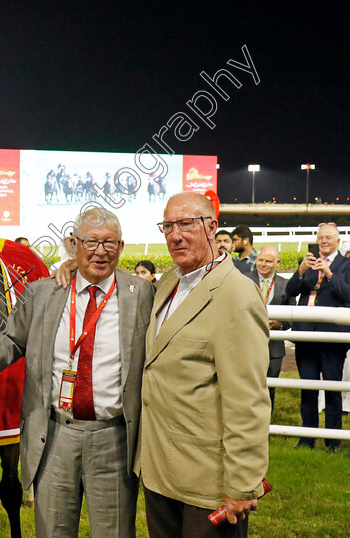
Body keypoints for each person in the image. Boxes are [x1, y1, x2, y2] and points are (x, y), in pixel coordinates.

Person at [0, 207, 154, 537]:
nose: (100, 251)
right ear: (74, 244)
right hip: (55, 434)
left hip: (115, 437)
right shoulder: (43, 292)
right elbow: (11, 339)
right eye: (90, 242)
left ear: (121, 248)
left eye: (109, 243)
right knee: (52, 531)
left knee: (115, 532)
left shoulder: (141, 294)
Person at [143, 192, 270, 536]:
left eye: (186, 224)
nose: (175, 235)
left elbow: (248, 399)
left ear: (212, 227)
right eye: (168, 226)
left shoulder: (237, 295)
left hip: (208, 484)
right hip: (159, 475)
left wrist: (243, 482)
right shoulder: (168, 282)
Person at [286, 222, 350, 451]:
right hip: (306, 336)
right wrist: (301, 270)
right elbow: (290, 291)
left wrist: (329, 274)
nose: (324, 241)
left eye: (329, 238)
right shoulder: (308, 263)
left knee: (332, 390)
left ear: (337, 242)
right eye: (321, 237)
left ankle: (333, 441)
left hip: (333, 338)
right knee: (308, 389)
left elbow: (347, 294)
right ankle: (307, 438)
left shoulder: (346, 264)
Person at [247, 245, 294, 412]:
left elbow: (292, 315)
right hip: (247, 345)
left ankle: (267, 423)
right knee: (247, 387)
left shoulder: (286, 285)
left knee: (270, 387)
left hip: (273, 348)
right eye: (260, 260)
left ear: (278, 262)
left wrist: (280, 323)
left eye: (268, 261)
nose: (263, 264)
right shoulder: (243, 280)